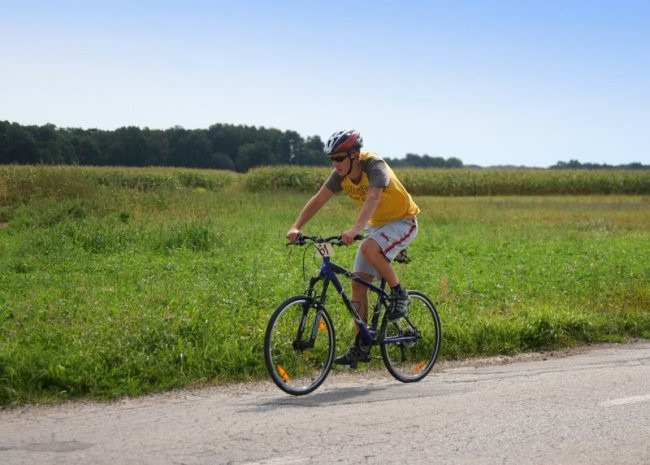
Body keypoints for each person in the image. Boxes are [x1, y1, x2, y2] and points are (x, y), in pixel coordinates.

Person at [286, 129, 420, 366]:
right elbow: (318, 199)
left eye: (339, 158)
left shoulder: (374, 166)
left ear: (355, 155)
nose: (335, 164)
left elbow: (373, 198)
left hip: (403, 220)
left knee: (369, 248)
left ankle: (400, 293)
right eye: (332, 159)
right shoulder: (340, 175)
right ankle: (362, 344)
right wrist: (296, 227)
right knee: (358, 284)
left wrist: (356, 228)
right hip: (377, 226)